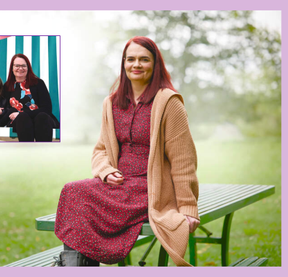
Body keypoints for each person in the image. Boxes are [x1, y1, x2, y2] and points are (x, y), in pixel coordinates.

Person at [54, 37, 200, 267]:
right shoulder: (111, 103)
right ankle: (74, 267)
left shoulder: (169, 103)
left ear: (155, 64)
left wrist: (188, 208)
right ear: (123, 64)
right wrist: (105, 171)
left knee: (82, 201)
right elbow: (101, 149)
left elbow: (183, 160)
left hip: (151, 186)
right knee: (72, 191)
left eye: (144, 59)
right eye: (131, 59)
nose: (137, 65)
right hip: (119, 184)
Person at [2, 54, 59, 142]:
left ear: (28, 68)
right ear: (12, 68)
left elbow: (47, 109)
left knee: (42, 116)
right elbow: (5, 108)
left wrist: (23, 114)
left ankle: (45, 152)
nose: (20, 68)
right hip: (19, 121)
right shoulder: (7, 86)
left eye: (23, 66)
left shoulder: (38, 83)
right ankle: (27, 153)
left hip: (39, 119)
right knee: (23, 118)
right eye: (17, 66)